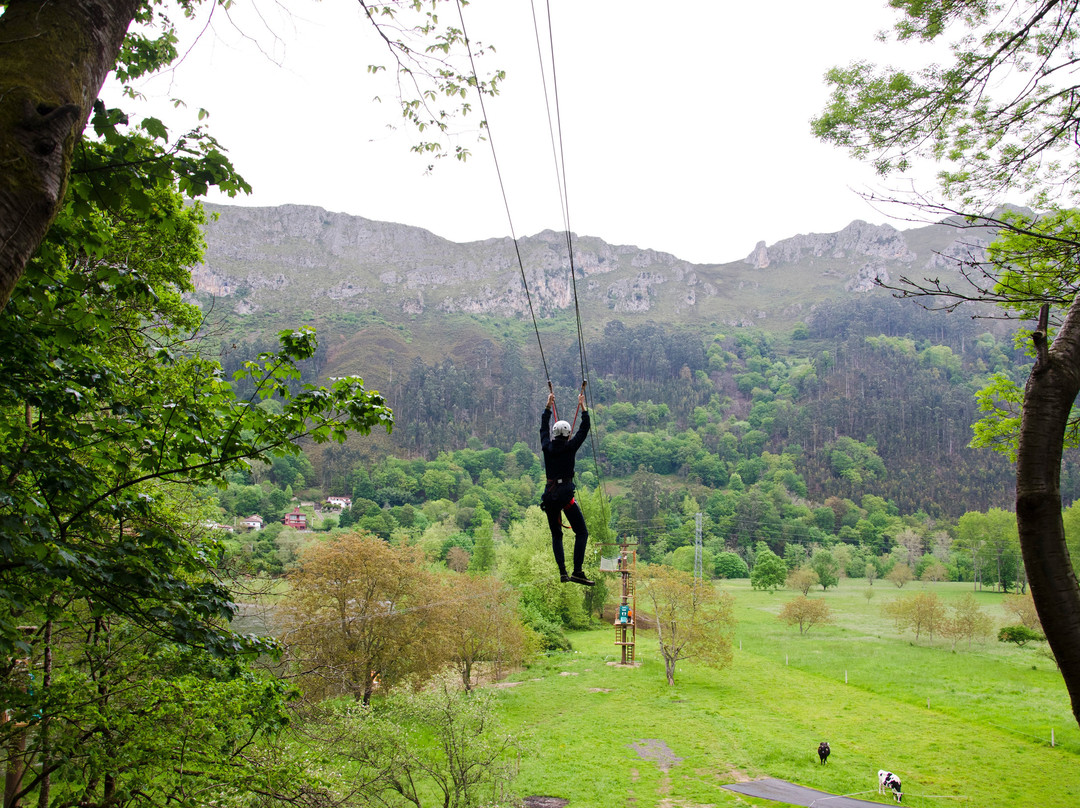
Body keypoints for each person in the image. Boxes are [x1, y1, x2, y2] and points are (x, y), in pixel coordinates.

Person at [540, 391, 593, 585]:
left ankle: (563, 572)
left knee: (557, 535)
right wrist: (582, 406)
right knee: (582, 532)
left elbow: (542, 429)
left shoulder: (547, 446)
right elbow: (584, 429)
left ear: (555, 434)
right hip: (565, 497)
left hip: (550, 496)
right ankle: (577, 571)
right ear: (568, 434)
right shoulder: (571, 447)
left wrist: (548, 406)